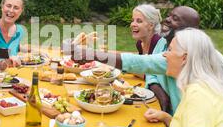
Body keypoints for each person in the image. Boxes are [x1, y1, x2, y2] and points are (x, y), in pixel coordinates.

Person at [70, 6, 200, 114]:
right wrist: (157, 89)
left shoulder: (182, 53)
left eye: (175, 18)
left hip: (178, 117)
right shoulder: (167, 45)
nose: (166, 20)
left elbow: (144, 64)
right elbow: (151, 71)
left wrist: (93, 54)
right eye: (169, 16)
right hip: (165, 113)